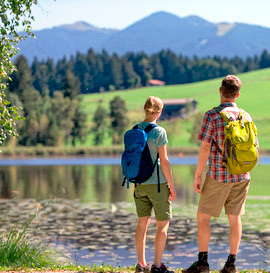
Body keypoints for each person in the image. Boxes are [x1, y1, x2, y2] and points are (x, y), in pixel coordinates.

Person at [183, 75, 252, 273]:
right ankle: (231, 264)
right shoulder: (245, 115)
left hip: (218, 175)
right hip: (242, 176)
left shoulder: (211, 115)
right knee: (235, 218)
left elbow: (205, 147)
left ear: (220, 91)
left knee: (203, 217)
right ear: (237, 94)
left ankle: (203, 263)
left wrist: (198, 175)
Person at [134, 96, 176, 273]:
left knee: (142, 223)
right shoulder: (159, 131)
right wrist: (172, 186)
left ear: (145, 109)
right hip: (157, 183)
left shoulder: (134, 130)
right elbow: (164, 161)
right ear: (159, 111)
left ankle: (141, 264)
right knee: (163, 224)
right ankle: (157, 266)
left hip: (139, 184)